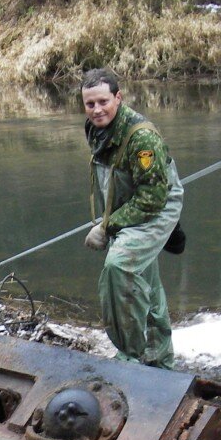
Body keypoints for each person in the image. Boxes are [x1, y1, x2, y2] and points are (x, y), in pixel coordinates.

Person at [81, 68, 183, 369]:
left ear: (118, 97)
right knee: (144, 278)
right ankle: (161, 359)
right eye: (90, 104)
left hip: (156, 206)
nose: (97, 110)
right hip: (126, 204)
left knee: (120, 266)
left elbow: (153, 198)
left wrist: (107, 225)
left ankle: (131, 354)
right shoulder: (95, 128)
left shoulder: (142, 139)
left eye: (103, 101)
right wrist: (108, 216)